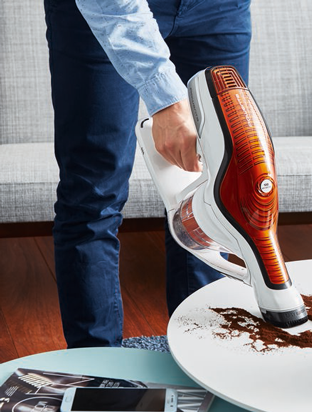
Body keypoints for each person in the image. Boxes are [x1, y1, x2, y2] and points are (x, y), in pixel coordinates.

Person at [43, 0, 252, 348]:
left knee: (211, 187)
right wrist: (166, 99)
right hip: (106, 8)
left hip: (219, 9)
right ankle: (98, 373)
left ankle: (203, 354)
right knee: (93, 193)